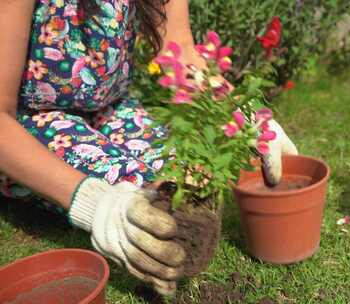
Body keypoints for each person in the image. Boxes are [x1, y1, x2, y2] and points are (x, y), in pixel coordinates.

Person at [0, 0, 297, 295]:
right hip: (33, 121)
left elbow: (177, 51)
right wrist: (94, 204)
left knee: (183, 185)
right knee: (138, 202)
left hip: (112, 108)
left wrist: (243, 117)